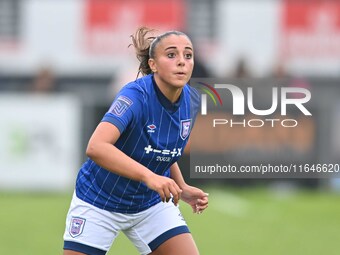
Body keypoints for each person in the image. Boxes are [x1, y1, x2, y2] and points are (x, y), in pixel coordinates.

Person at [63, 26, 209, 255]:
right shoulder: (135, 97)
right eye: (171, 55)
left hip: (150, 204)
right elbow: (96, 147)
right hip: (99, 200)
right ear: (153, 64)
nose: (182, 61)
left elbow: (163, 149)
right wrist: (150, 176)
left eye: (187, 55)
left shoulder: (192, 100)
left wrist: (181, 186)